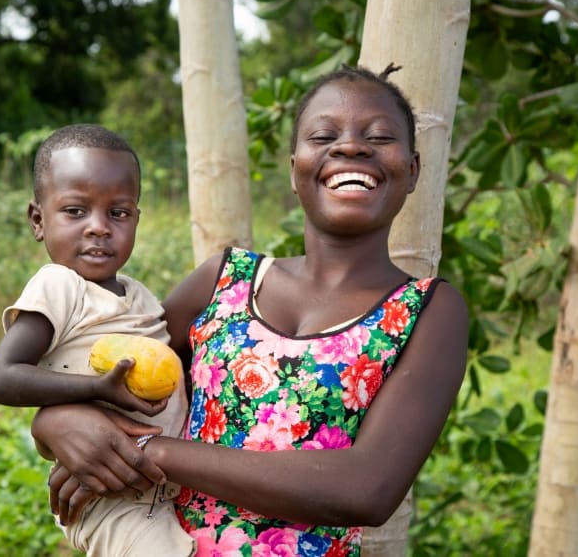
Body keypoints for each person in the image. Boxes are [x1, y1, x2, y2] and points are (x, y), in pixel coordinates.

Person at [31, 66, 469, 556]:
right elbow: (113, 375)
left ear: (411, 170)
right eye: (324, 135)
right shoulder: (225, 279)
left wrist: (143, 451)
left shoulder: (428, 311)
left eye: (379, 137)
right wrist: (53, 422)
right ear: (295, 168)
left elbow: (366, 489)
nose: (351, 147)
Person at [0, 124, 196, 557]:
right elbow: (1, 378)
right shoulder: (58, 287)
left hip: (159, 486)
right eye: (76, 211)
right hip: (107, 494)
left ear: (137, 219)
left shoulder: (140, 295)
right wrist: (95, 390)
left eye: (118, 213)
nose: (99, 228)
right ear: (38, 220)